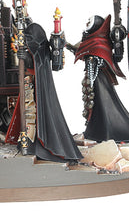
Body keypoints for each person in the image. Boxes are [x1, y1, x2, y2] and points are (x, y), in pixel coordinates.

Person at [6, 22, 83, 163]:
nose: (26, 41)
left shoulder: (41, 49)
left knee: (33, 115)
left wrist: (27, 58)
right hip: (29, 85)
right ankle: (27, 142)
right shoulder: (34, 48)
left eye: (29, 38)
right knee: (28, 115)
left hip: (35, 88)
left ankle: (35, 145)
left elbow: (37, 63)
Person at [74, 15, 129, 143]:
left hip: (100, 79)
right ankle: (95, 131)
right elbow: (80, 51)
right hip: (93, 80)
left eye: (90, 22)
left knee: (102, 104)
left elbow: (104, 56)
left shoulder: (99, 42)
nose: (87, 23)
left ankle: (107, 132)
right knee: (94, 105)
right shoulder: (90, 40)